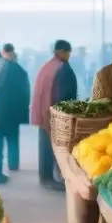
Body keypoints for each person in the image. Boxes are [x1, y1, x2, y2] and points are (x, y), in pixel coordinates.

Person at [31, 40, 78, 191]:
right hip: (55, 114)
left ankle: (45, 177)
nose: (69, 55)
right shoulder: (62, 68)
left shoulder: (48, 66)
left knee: (45, 146)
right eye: (68, 52)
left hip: (44, 112)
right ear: (62, 51)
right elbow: (62, 95)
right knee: (55, 147)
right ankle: (50, 178)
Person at [0, 42, 31, 184]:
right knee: (12, 139)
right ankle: (11, 165)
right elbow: (25, 93)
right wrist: (24, 111)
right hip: (11, 112)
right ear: (12, 53)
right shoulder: (19, 70)